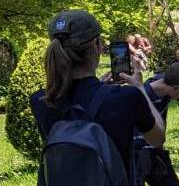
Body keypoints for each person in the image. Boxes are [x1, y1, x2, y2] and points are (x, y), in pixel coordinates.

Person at [30, 10, 166, 186]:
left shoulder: (41, 101)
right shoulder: (126, 98)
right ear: (97, 46)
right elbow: (157, 138)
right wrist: (140, 89)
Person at [136, 62, 179, 186]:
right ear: (176, 88)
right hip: (136, 154)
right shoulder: (140, 95)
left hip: (156, 152)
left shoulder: (166, 94)